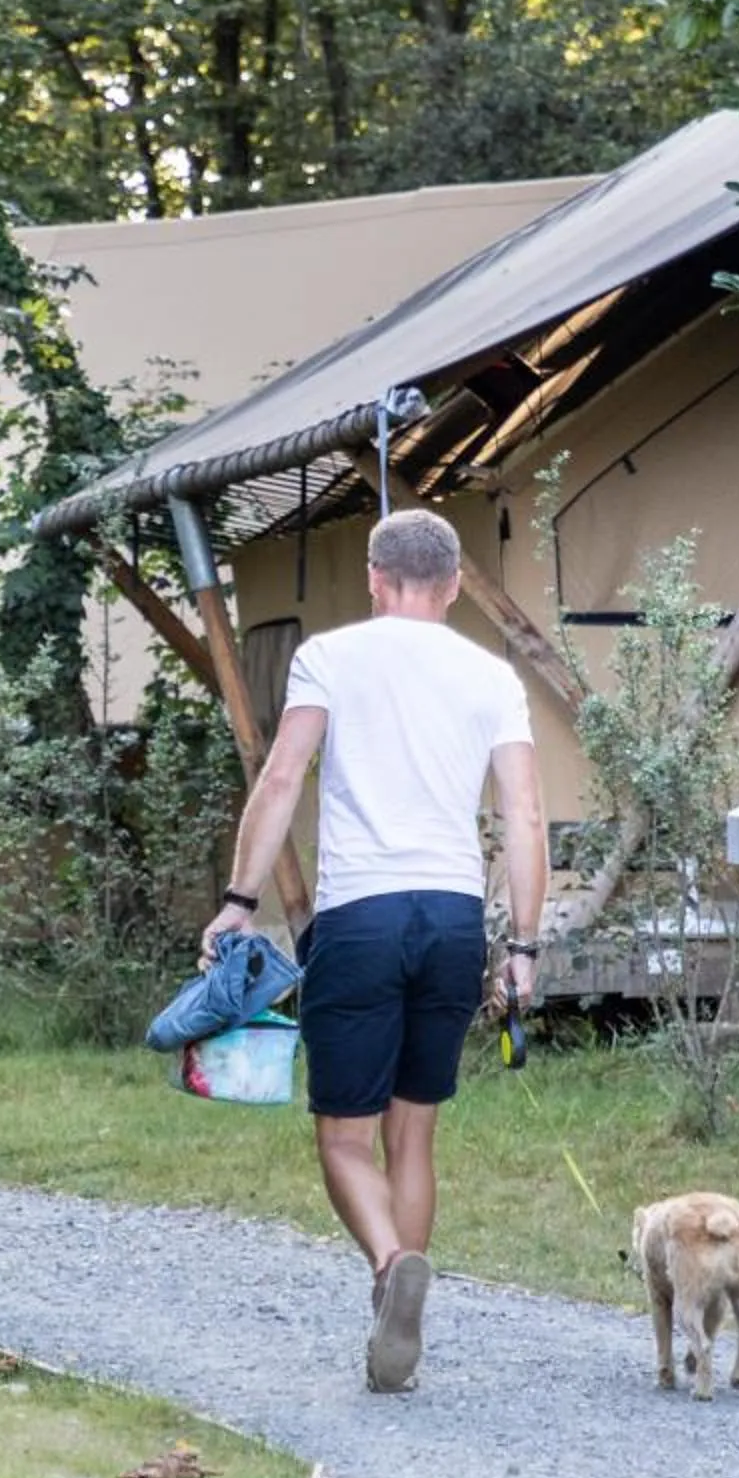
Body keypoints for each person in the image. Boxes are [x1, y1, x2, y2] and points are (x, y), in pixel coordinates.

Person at [201, 508, 546, 1392]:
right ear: (455, 584)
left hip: (361, 916)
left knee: (344, 1137)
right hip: (454, 917)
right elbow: (525, 815)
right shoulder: (493, 677)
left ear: (373, 578)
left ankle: (393, 1270)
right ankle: (403, 1327)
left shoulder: (330, 657)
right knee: (413, 1129)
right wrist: (524, 946)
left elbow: (283, 777)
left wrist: (240, 901)